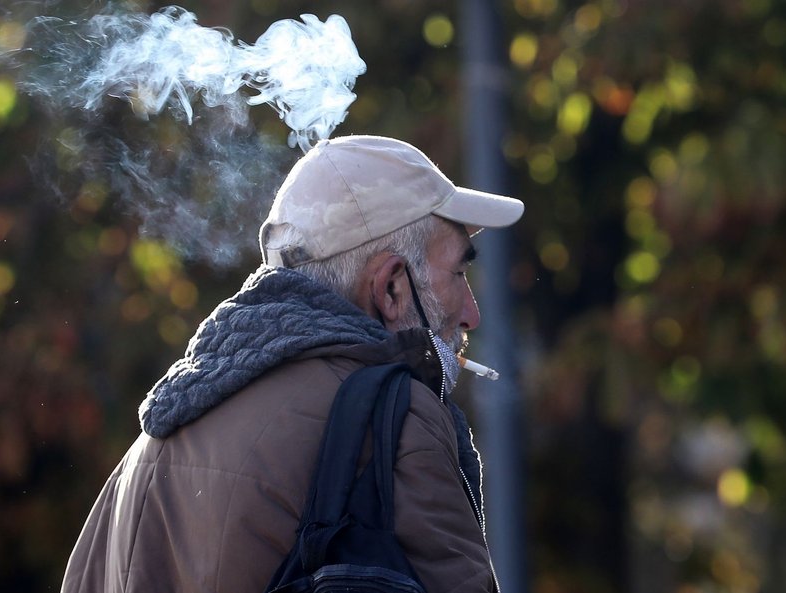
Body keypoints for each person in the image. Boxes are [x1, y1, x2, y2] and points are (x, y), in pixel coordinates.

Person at [60, 135, 524, 593]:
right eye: (459, 274)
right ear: (390, 288)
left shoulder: (149, 446)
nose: (471, 313)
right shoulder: (393, 422)